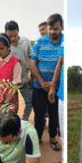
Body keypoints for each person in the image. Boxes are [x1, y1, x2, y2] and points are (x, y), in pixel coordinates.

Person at [30, 13, 64, 151]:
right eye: (50, 29)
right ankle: (37, 137)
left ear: (61, 27)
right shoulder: (39, 42)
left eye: (55, 29)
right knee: (38, 113)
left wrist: (52, 85)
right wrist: (42, 82)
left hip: (57, 87)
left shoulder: (64, 42)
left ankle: (52, 137)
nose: (52, 32)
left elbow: (60, 64)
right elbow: (32, 64)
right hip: (39, 86)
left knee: (54, 113)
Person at [5, 21, 33, 121]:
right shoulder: (5, 46)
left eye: (15, 35)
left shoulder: (26, 41)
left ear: (18, 31)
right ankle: (11, 122)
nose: (12, 39)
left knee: (30, 102)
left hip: (25, 80)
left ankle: (24, 121)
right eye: (10, 36)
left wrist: (32, 76)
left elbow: (31, 59)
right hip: (10, 83)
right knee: (9, 105)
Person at [0, 33, 22, 114]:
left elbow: (15, 86)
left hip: (9, 102)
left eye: (1, 48)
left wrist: (5, 105)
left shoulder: (15, 63)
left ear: (8, 47)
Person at [47, 42, 64, 163]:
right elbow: (59, 63)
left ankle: (64, 160)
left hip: (64, 92)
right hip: (62, 93)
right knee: (63, 132)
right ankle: (64, 161)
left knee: (62, 129)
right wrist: (53, 87)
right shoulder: (65, 44)